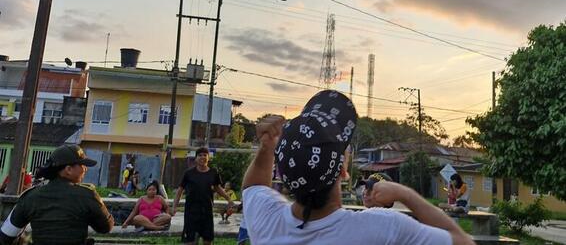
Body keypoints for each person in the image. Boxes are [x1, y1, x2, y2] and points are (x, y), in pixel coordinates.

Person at [242, 90, 474, 245]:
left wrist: (266, 148)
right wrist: (406, 194)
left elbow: (252, 186)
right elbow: (463, 241)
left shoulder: (266, 219)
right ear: (343, 171)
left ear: (283, 174)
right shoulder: (382, 229)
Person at [0, 144, 114, 245]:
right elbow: (105, 227)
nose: (85, 169)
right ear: (68, 169)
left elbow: (6, 235)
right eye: (82, 165)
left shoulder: (30, 196)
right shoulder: (87, 194)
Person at [171, 147, 236, 245]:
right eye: (200, 155)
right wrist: (174, 206)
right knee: (189, 241)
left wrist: (229, 199)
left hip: (207, 212)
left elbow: (217, 188)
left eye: (205, 155)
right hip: (191, 213)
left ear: (208, 158)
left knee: (207, 241)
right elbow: (180, 190)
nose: (202, 157)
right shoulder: (188, 173)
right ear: (196, 158)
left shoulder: (213, 173)